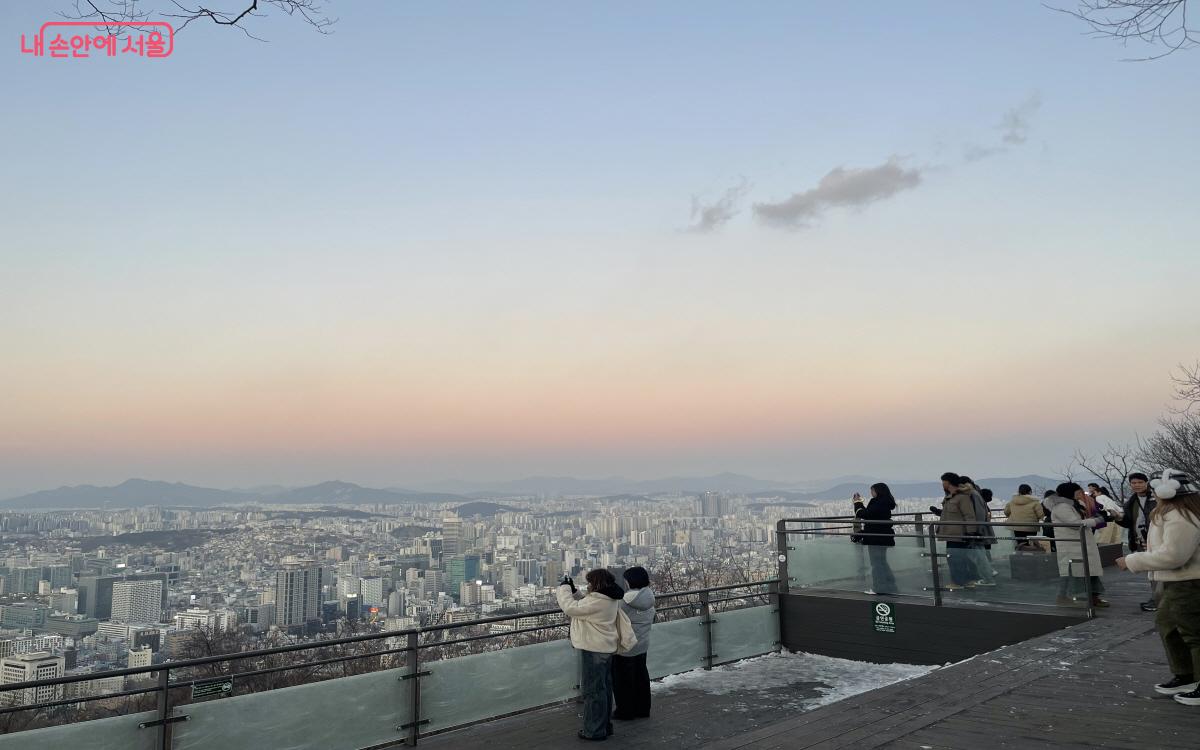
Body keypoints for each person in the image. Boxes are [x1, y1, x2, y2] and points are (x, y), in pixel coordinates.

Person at [1117, 469, 1200, 705]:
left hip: (1188, 582)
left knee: (1193, 633)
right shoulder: (1175, 512)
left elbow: (1175, 555)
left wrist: (1132, 560)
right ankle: (1187, 674)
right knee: (1169, 626)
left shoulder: (1182, 516)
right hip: (1176, 581)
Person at [556, 569, 637, 741]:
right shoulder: (609, 598)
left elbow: (571, 608)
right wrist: (574, 590)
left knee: (594, 691)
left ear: (597, 583)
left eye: (590, 582)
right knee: (603, 689)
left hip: (594, 649)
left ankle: (594, 730)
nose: (589, 585)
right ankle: (604, 726)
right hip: (604, 648)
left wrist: (564, 589)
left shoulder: (600, 601)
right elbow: (585, 604)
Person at [1044, 482, 1108, 607]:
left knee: (1088, 571)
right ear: (1070, 492)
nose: (1080, 494)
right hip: (1072, 544)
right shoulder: (1062, 507)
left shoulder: (1073, 505)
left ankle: (1093, 597)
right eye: (1078, 491)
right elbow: (1074, 524)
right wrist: (1096, 521)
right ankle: (1064, 597)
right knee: (1071, 572)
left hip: (1080, 542)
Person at [611, 566, 655, 720]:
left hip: (625, 646)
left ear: (630, 581)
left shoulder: (624, 602)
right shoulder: (649, 598)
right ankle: (643, 709)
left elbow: (609, 616)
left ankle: (625, 711)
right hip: (642, 644)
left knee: (623, 680)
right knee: (641, 677)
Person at [931, 472, 979, 591]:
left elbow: (969, 516)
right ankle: (965, 581)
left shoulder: (962, 497)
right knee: (957, 559)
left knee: (956, 559)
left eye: (943, 482)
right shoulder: (950, 497)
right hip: (951, 534)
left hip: (958, 534)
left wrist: (970, 533)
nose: (942, 484)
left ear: (948, 482)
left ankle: (958, 582)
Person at [1119, 471, 1159, 612]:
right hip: (1140, 539)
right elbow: (1129, 523)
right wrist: (1118, 518)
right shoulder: (1131, 501)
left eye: (1140, 482)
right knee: (1152, 572)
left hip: (1155, 539)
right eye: (1134, 483)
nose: (1137, 485)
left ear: (1146, 483)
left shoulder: (1156, 498)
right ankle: (1157, 598)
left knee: (1157, 570)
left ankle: (1157, 600)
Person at [853, 483, 898, 595]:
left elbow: (865, 514)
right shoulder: (885, 502)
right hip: (883, 536)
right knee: (881, 562)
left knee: (876, 564)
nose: (871, 493)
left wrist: (857, 503)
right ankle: (890, 586)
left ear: (878, 491)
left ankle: (879, 588)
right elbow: (870, 514)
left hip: (876, 537)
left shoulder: (879, 502)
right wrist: (860, 504)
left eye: (872, 491)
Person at [960, 476, 996, 586]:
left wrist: (975, 529)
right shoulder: (975, 493)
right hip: (978, 530)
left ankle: (987, 578)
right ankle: (987, 575)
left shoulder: (973, 495)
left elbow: (978, 514)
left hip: (975, 531)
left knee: (978, 556)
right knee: (979, 554)